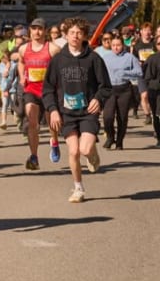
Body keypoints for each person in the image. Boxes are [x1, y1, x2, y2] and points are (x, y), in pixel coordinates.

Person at [43, 18, 111, 203]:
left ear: (84, 36)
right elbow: (48, 88)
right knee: (73, 152)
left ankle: (92, 154)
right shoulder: (58, 60)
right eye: (72, 33)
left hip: (87, 111)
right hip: (66, 113)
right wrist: (53, 110)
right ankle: (78, 188)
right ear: (65, 35)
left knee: (85, 149)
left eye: (79, 33)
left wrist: (98, 98)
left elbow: (105, 86)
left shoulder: (93, 58)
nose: (75, 36)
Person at [18, 19, 57, 169]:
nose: (37, 32)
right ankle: (34, 156)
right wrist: (22, 76)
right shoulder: (23, 49)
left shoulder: (52, 49)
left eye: (40, 29)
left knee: (51, 122)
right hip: (31, 90)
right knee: (32, 121)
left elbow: (59, 66)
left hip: (48, 91)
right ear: (30, 31)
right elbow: (21, 62)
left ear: (45, 31)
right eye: (34, 29)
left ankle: (53, 140)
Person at [97, 33, 141, 150]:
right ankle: (110, 137)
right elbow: (99, 73)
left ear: (123, 45)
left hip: (124, 89)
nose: (116, 47)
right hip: (110, 90)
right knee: (108, 116)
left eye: (118, 45)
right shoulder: (105, 58)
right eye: (114, 45)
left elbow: (139, 72)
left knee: (122, 117)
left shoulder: (129, 57)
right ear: (111, 46)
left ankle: (119, 142)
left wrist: (126, 73)